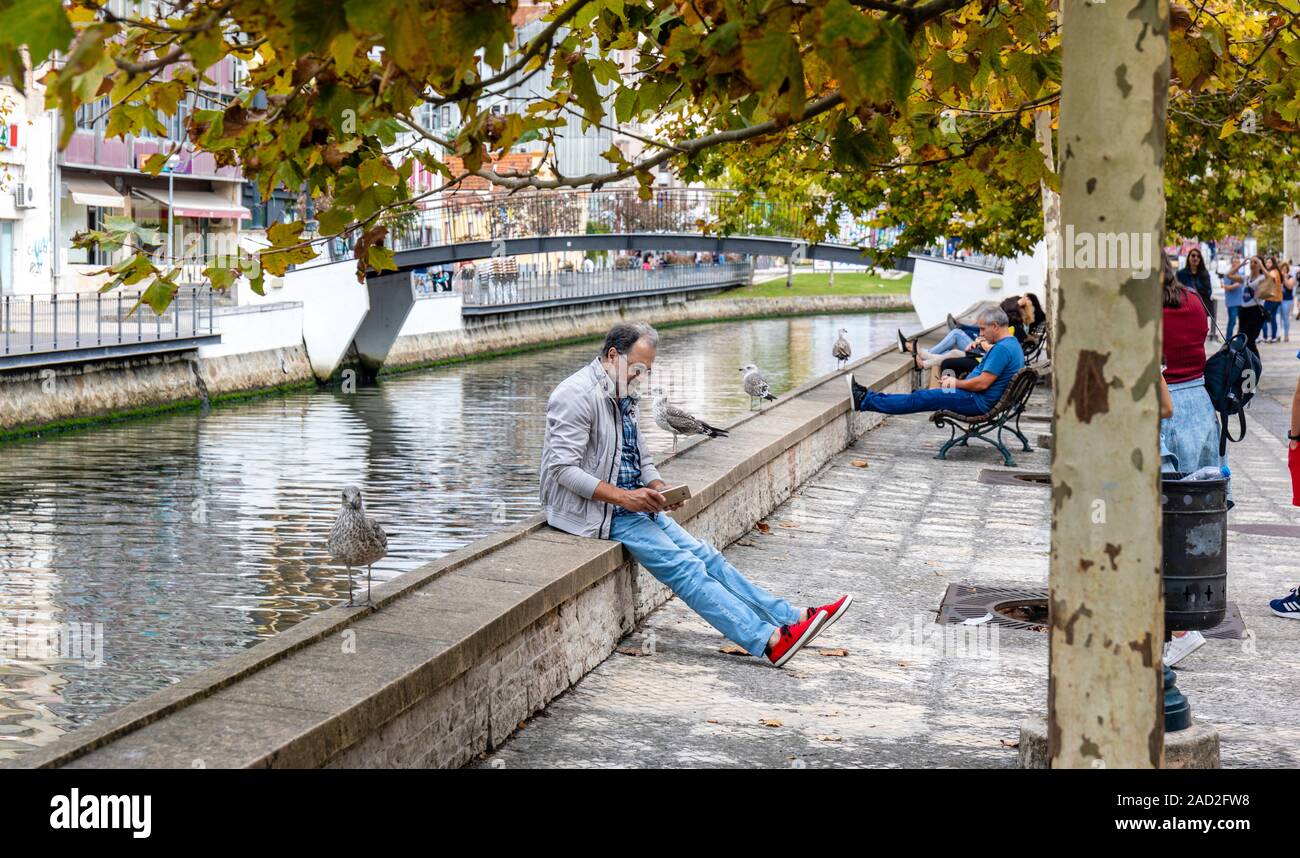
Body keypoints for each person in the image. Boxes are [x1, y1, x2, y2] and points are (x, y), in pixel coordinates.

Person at [539, 323, 853, 667]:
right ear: (613, 355)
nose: (641, 377)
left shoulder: (622, 387)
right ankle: (769, 641)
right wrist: (625, 498)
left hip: (632, 504)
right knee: (686, 568)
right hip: (600, 511)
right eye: (638, 369)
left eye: (646, 370)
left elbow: (639, 453)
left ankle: (789, 617)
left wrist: (658, 486)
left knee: (707, 556)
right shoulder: (573, 395)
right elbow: (562, 470)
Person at [852, 306, 1025, 416]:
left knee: (918, 399)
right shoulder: (1012, 344)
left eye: (982, 329)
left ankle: (864, 400)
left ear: (995, 326)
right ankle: (868, 397)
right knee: (919, 397)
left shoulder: (1002, 349)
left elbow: (981, 384)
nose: (980, 334)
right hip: (975, 398)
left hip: (974, 401)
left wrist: (954, 383)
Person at [1237, 255, 1269, 356]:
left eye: (1255, 262)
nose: (1252, 264)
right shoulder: (1246, 278)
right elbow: (1229, 275)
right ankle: (1246, 363)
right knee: (1241, 339)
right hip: (1244, 311)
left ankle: (1255, 364)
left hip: (1255, 311)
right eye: (1251, 262)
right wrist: (1241, 265)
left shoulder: (1262, 277)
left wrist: (1261, 265)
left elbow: (1270, 278)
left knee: (1250, 340)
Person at [1221, 252, 1246, 341]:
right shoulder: (1228, 274)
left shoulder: (1241, 274)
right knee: (1232, 322)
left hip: (1241, 302)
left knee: (1242, 322)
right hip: (1232, 303)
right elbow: (1226, 287)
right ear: (1232, 263)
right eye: (1236, 262)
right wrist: (1235, 285)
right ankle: (1228, 340)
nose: (1238, 264)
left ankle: (1239, 340)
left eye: (1239, 262)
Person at [1262, 256, 1285, 342]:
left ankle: (1265, 337)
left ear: (1273, 263)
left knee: (1264, 318)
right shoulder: (1277, 272)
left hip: (1271, 299)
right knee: (1273, 318)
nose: (1267, 264)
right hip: (1277, 299)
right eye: (1267, 262)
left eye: (1269, 262)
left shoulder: (1272, 272)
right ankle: (1273, 337)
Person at [1281, 261, 1295, 341]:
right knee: (1278, 318)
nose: (1283, 270)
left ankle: (1286, 335)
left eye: (1285, 269)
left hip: (1287, 300)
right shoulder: (1278, 277)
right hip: (1278, 300)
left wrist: (1285, 278)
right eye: (1282, 269)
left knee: (1285, 318)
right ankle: (1277, 335)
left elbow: (1290, 287)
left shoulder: (1290, 277)